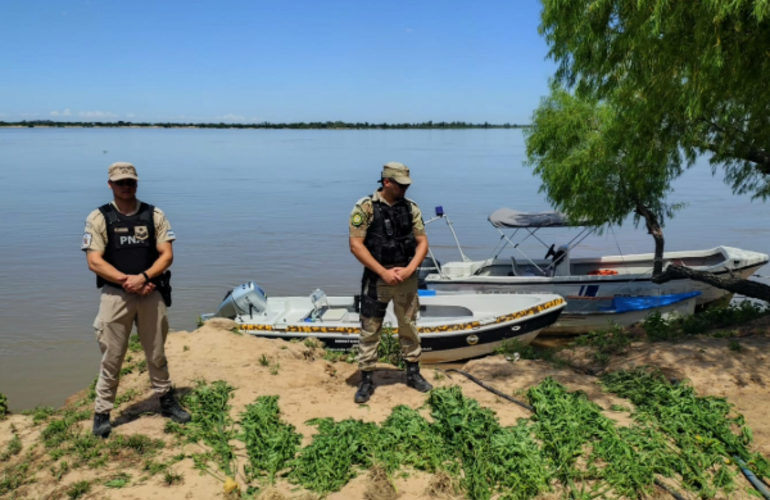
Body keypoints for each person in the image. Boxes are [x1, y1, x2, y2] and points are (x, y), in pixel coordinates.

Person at [82, 162, 191, 438]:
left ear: (137, 183)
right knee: (112, 357)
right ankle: (102, 412)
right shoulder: (99, 217)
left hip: (150, 293)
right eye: (120, 182)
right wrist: (128, 281)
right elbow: (94, 262)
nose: (126, 186)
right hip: (115, 297)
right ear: (110, 185)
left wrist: (143, 277)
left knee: (156, 353)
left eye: (130, 181)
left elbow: (166, 255)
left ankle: (166, 400)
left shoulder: (154, 215)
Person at [348, 161, 433, 404]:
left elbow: (422, 243)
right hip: (377, 279)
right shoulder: (365, 207)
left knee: (409, 325)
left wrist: (409, 269)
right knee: (370, 328)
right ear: (387, 182)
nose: (405, 189)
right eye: (400, 184)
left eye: (407, 184)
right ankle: (366, 379)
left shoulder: (411, 208)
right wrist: (382, 273)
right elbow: (356, 245)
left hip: (405, 278)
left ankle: (413, 374)